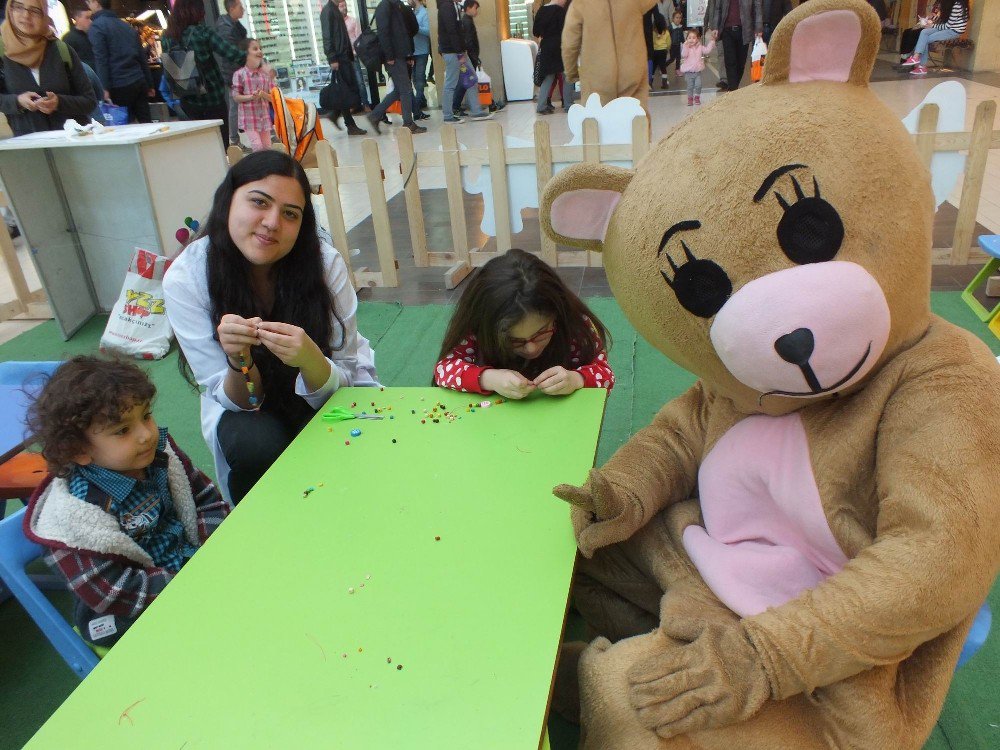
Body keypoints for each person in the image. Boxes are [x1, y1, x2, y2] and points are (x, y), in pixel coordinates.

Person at [163, 151, 379, 504]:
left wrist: (311, 359)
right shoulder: (188, 277)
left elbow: (348, 373)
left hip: (328, 390)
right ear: (228, 199)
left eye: (290, 214)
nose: (272, 222)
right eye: (259, 202)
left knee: (356, 440)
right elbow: (237, 400)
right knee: (256, 444)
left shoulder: (324, 265)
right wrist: (238, 359)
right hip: (245, 409)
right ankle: (259, 527)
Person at [24, 356, 231, 648]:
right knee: (156, 638)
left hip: (188, 563)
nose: (146, 435)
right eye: (122, 430)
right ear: (78, 450)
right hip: (123, 606)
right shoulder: (72, 520)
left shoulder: (160, 456)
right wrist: (191, 584)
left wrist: (212, 551)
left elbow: (206, 500)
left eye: (146, 415)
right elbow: (113, 592)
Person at [433, 249, 614, 399]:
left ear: (556, 314)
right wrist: (489, 378)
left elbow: (605, 375)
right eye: (514, 340)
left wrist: (576, 379)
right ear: (487, 328)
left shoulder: (573, 323)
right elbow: (443, 370)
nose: (531, 349)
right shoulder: (477, 326)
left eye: (541, 333)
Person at [0, 0, 97, 136]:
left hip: (72, 143)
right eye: (19, 7)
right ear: (9, 10)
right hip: (29, 147)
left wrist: (59, 102)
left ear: (44, 15)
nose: (26, 15)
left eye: (34, 10)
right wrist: (17, 101)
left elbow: (89, 101)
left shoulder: (61, 50)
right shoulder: (2, 53)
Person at [162, 0, 245, 141]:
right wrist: (256, 59)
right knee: (220, 143)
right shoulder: (202, 33)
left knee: (200, 142)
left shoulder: (166, 37)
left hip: (186, 99)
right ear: (195, 11)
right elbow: (232, 53)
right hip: (211, 99)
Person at [562, 0, 658, 114]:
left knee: (597, 123)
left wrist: (571, 73)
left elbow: (569, 44)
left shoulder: (580, 3)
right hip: (632, 72)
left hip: (596, 76)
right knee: (635, 121)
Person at [87, 0, 153, 123]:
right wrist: (150, 84)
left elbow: (101, 59)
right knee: (146, 123)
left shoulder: (96, 27)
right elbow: (141, 57)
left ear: (96, 3)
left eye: (89, 2)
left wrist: (104, 88)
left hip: (118, 85)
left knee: (122, 126)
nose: (88, 5)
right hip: (138, 80)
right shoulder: (126, 26)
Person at [366, 0, 425, 134]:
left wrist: (408, 54)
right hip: (394, 55)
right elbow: (383, 32)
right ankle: (408, 123)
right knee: (405, 89)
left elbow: (404, 33)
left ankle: (375, 115)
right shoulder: (385, 6)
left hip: (400, 54)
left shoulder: (395, 5)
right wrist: (389, 56)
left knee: (399, 90)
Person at [437, 0, 490, 124]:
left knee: (472, 79)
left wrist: (462, 50)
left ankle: (476, 111)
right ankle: (448, 115)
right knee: (451, 84)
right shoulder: (447, 6)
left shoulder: (454, 6)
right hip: (452, 52)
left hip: (459, 51)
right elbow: (451, 31)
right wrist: (459, 52)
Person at [320, 0, 366, 134]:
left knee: (344, 90)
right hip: (339, 57)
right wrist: (332, 57)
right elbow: (327, 36)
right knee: (346, 89)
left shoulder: (333, 9)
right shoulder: (328, 11)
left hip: (344, 56)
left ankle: (336, 115)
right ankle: (349, 124)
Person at [455, 0, 502, 114]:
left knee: (467, 81)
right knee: (470, 81)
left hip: (471, 55)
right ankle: (487, 104)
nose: (476, 11)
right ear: (469, 8)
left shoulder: (467, 20)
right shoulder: (466, 21)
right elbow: (469, 41)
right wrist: (473, 57)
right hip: (470, 56)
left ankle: (456, 105)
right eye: (475, 8)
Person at [901, 0, 968, 76]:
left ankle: (921, 66)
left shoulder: (957, 4)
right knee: (924, 32)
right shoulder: (950, 3)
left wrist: (932, 26)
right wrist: (930, 22)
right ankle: (916, 57)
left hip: (954, 31)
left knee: (925, 39)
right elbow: (943, 21)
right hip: (947, 28)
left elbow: (948, 25)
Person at [707, 0, 762, 91]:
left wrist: (758, 28)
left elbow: (757, 7)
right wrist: (715, 27)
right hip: (726, 30)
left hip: (745, 30)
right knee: (730, 61)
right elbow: (718, 8)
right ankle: (733, 89)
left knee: (741, 63)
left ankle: (734, 87)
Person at [231, 39, 275, 151]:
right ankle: (260, 167)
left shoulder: (265, 75)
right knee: (257, 146)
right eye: (255, 49)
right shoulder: (239, 74)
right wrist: (251, 97)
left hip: (264, 118)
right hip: (248, 119)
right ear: (246, 53)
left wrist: (263, 95)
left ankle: (266, 167)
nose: (259, 51)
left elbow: (274, 97)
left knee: (267, 146)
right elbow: (236, 97)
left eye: (260, 48)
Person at [215, 0, 247, 150]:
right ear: (232, 8)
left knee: (239, 104)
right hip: (233, 72)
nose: (244, 9)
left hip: (237, 70)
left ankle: (235, 139)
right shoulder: (226, 28)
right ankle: (234, 140)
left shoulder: (233, 24)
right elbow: (232, 53)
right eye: (241, 7)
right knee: (235, 106)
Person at [532, 0, 570, 114]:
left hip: (546, 47)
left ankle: (541, 106)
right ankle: (568, 104)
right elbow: (566, 31)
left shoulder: (541, 11)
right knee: (567, 75)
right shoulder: (560, 11)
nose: (565, 2)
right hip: (560, 46)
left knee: (548, 77)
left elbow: (536, 31)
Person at [339, 0, 370, 109]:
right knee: (347, 82)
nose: (344, 8)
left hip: (353, 55)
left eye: (345, 6)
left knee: (359, 80)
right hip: (342, 57)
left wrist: (356, 52)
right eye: (341, 6)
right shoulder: (337, 24)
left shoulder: (353, 21)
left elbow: (359, 38)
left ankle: (365, 103)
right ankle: (353, 105)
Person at [680, 26, 715, 105]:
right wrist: (685, 46)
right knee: (690, 87)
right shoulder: (686, 48)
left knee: (698, 85)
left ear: (697, 39)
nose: (691, 40)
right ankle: (690, 98)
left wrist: (712, 42)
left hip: (697, 72)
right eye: (689, 38)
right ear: (686, 39)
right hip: (689, 73)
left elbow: (707, 50)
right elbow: (684, 55)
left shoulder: (700, 47)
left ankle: (697, 97)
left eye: (694, 38)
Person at [409, 0, 430, 118]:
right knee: (415, 79)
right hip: (412, 51)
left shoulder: (424, 13)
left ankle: (417, 106)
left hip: (422, 51)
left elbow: (428, 31)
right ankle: (421, 101)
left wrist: (415, 28)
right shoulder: (413, 12)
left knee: (420, 78)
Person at [62, 3, 94, 68]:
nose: (91, 21)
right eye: (87, 18)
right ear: (77, 18)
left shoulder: (92, 35)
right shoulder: (68, 39)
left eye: (91, 18)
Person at [649, 9, 670, 89]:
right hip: (663, 51)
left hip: (654, 51)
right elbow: (669, 42)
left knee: (653, 68)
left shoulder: (652, 32)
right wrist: (667, 49)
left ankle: (650, 84)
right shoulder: (666, 32)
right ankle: (664, 83)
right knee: (663, 67)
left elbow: (650, 42)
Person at [667, 9, 685, 77]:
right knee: (672, 59)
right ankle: (663, 66)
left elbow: (681, 36)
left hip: (678, 45)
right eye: (677, 17)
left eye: (680, 18)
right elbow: (666, 36)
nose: (678, 19)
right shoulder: (670, 27)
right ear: (673, 18)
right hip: (672, 46)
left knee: (678, 58)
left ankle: (677, 70)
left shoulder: (680, 27)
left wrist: (684, 43)